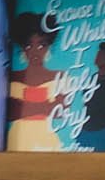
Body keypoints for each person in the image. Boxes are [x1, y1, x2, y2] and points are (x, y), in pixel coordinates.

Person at [6, 11, 66, 151]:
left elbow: (60, 111)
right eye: (28, 45)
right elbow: (11, 112)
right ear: (22, 48)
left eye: (41, 45)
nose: (35, 51)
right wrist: (45, 106)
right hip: (19, 138)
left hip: (46, 137)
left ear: (49, 46)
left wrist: (23, 106)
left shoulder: (59, 76)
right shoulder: (12, 76)